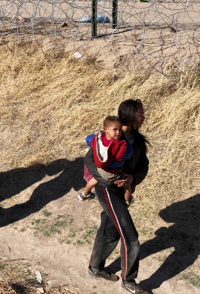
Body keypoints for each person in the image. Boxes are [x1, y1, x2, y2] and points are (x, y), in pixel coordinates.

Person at [84, 99, 150, 294]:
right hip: (107, 189)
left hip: (123, 191)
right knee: (131, 236)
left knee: (110, 229)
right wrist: (106, 180)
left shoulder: (138, 141)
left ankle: (95, 268)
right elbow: (89, 159)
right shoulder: (110, 135)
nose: (143, 117)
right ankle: (128, 281)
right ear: (129, 116)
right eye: (140, 114)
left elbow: (144, 166)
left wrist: (132, 178)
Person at [78, 116, 133, 205]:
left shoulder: (99, 139)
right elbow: (126, 155)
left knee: (94, 179)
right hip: (111, 173)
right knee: (126, 183)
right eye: (115, 129)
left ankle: (84, 194)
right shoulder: (119, 144)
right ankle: (127, 201)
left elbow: (89, 139)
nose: (118, 132)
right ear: (105, 129)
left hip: (100, 169)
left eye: (120, 130)